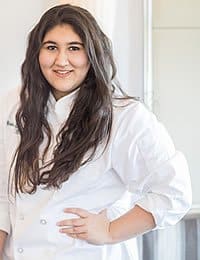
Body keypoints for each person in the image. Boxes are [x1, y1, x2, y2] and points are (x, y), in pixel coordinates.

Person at [0, 4, 192, 260]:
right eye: (51, 47)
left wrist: (111, 231)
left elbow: (174, 192)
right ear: (37, 52)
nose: (61, 60)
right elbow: (5, 191)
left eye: (74, 48)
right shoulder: (15, 104)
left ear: (92, 54)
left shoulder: (124, 116)